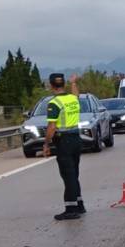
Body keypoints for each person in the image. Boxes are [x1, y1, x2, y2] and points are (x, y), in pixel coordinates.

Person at [43, 73, 84, 221]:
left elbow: (52, 127)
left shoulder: (54, 103)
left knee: (68, 175)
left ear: (51, 85)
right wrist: (74, 83)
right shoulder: (72, 99)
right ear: (63, 84)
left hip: (64, 141)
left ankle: (71, 209)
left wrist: (46, 144)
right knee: (74, 173)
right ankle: (79, 204)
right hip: (76, 139)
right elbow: (76, 95)